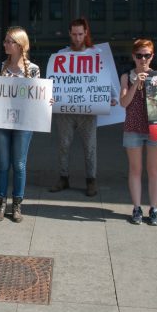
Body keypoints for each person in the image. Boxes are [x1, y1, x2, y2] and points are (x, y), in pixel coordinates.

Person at [0, 27, 41, 223]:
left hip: (23, 122)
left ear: (20, 46)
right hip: (2, 121)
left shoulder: (34, 69)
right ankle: (1, 203)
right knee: (3, 164)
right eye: (5, 41)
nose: (5, 44)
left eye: (9, 41)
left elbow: (37, 96)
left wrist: (46, 101)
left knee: (19, 164)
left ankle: (17, 204)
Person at [49, 18, 100, 196]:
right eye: (74, 34)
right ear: (70, 34)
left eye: (80, 34)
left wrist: (110, 97)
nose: (78, 38)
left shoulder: (97, 54)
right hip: (65, 109)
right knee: (63, 144)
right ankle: (63, 177)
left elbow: (103, 79)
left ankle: (91, 180)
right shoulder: (62, 55)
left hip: (87, 108)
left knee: (90, 146)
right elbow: (55, 81)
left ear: (86, 33)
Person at [119, 39, 157, 225]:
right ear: (133, 57)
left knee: (154, 169)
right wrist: (136, 82)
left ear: (152, 56)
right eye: (139, 55)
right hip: (133, 127)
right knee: (135, 169)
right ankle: (137, 207)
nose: (143, 59)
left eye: (147, 55)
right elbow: (124, 103)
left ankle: (154, 208)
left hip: (154, 128)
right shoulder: (126, 77)